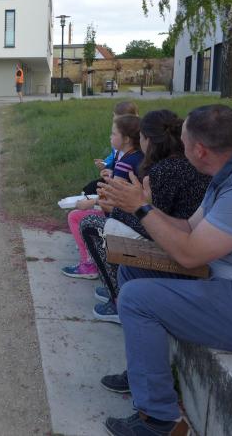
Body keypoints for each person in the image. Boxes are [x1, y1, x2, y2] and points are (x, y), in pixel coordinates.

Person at [96, 104, 232, 436]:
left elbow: (189, 255)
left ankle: (160, 421)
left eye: (183, 140)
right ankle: (144, 372)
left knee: (137, 299)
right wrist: (146, 206)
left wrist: (140, 209)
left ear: (199, 150)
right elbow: (188, 228)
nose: (179, 145)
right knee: (133, 271)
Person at [79, 110, 210, 323]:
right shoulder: (186, 164)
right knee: (109, 225)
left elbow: (151, 227)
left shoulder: (163, 170)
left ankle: (117, 300)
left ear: (148, 140)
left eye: (141, 137)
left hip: (180, 254)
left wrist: (117, 208)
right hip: (194, 245)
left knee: (90, 225)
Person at [62, 115, 143, 280]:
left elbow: (113, 201)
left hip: (122, 218)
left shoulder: (124, 163)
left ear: (126, 139)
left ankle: (89, 264)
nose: (110, 137)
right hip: (134, 216)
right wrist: (111, 176)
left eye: (114, 134)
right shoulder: (137, 156)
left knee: (75, 216)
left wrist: (91, 203)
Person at [83, 100, 139, 196]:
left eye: (113, 134)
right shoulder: (123, 146)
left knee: (91, 190)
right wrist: (106, 164)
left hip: (123, 189)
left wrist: (97, 200)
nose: (110, 137)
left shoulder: (131, 156)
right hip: (116, 178)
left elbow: (118, 189)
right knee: (89, 188)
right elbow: (113, 156)